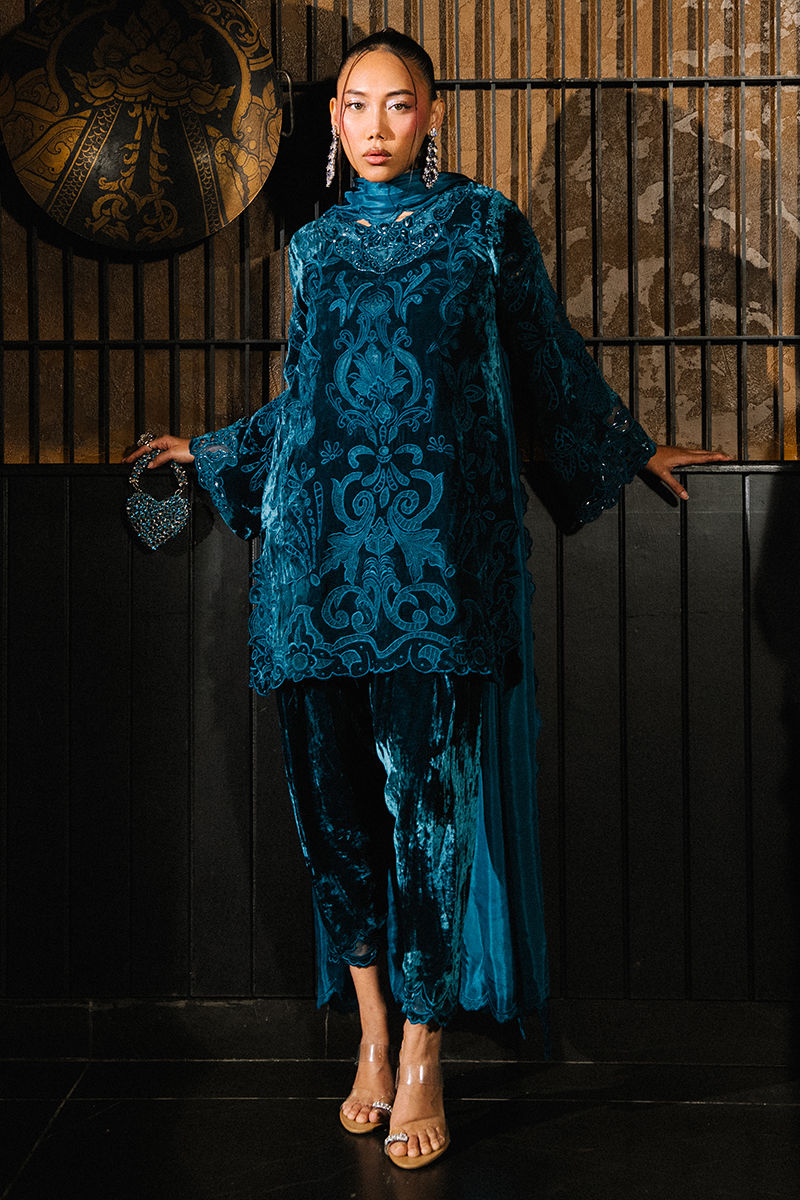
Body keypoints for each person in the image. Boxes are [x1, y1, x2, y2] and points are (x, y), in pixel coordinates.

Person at [126, 29, 727, 1169]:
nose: (374, 126)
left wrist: (630, 445)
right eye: (355, 105)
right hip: (314, 567)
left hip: (437, 571)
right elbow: (308, 400)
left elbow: (543, 356)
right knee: (332, 814)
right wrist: (211, 450)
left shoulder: (483, 226)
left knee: (427, 814)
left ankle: (421, 1052)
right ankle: (367, 1034)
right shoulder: (311, 247)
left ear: (432, 113)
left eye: (397, 104)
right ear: (334, 119)